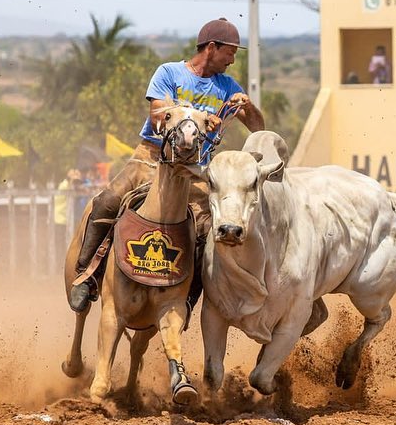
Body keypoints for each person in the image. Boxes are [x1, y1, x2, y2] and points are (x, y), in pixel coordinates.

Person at [67, 17, 265, 312]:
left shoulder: (227, 86)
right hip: (149, 158)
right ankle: (87, 276)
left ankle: (186, 299)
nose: (233, 61)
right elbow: (158, 111)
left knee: (207, 233)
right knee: (107, 201)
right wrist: (196, 115)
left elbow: (258, 127)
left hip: (195, 173)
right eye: (230, 53)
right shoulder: (169, 73)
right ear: (212, 48)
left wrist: (248, 108)